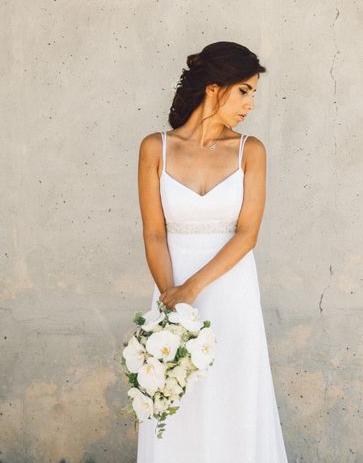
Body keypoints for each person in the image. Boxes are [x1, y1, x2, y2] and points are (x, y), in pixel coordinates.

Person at [136, 41, 289, 462]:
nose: (250, 104)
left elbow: (247, 234)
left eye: (253, 93)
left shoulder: (249, 150)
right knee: (179, 396)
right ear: (213, 88)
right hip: (171, 290)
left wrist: (192, 289)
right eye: (244, 90)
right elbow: (153, 234)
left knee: (233, 394)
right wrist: (172, 302)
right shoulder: (155, 148)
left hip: (230, 290)